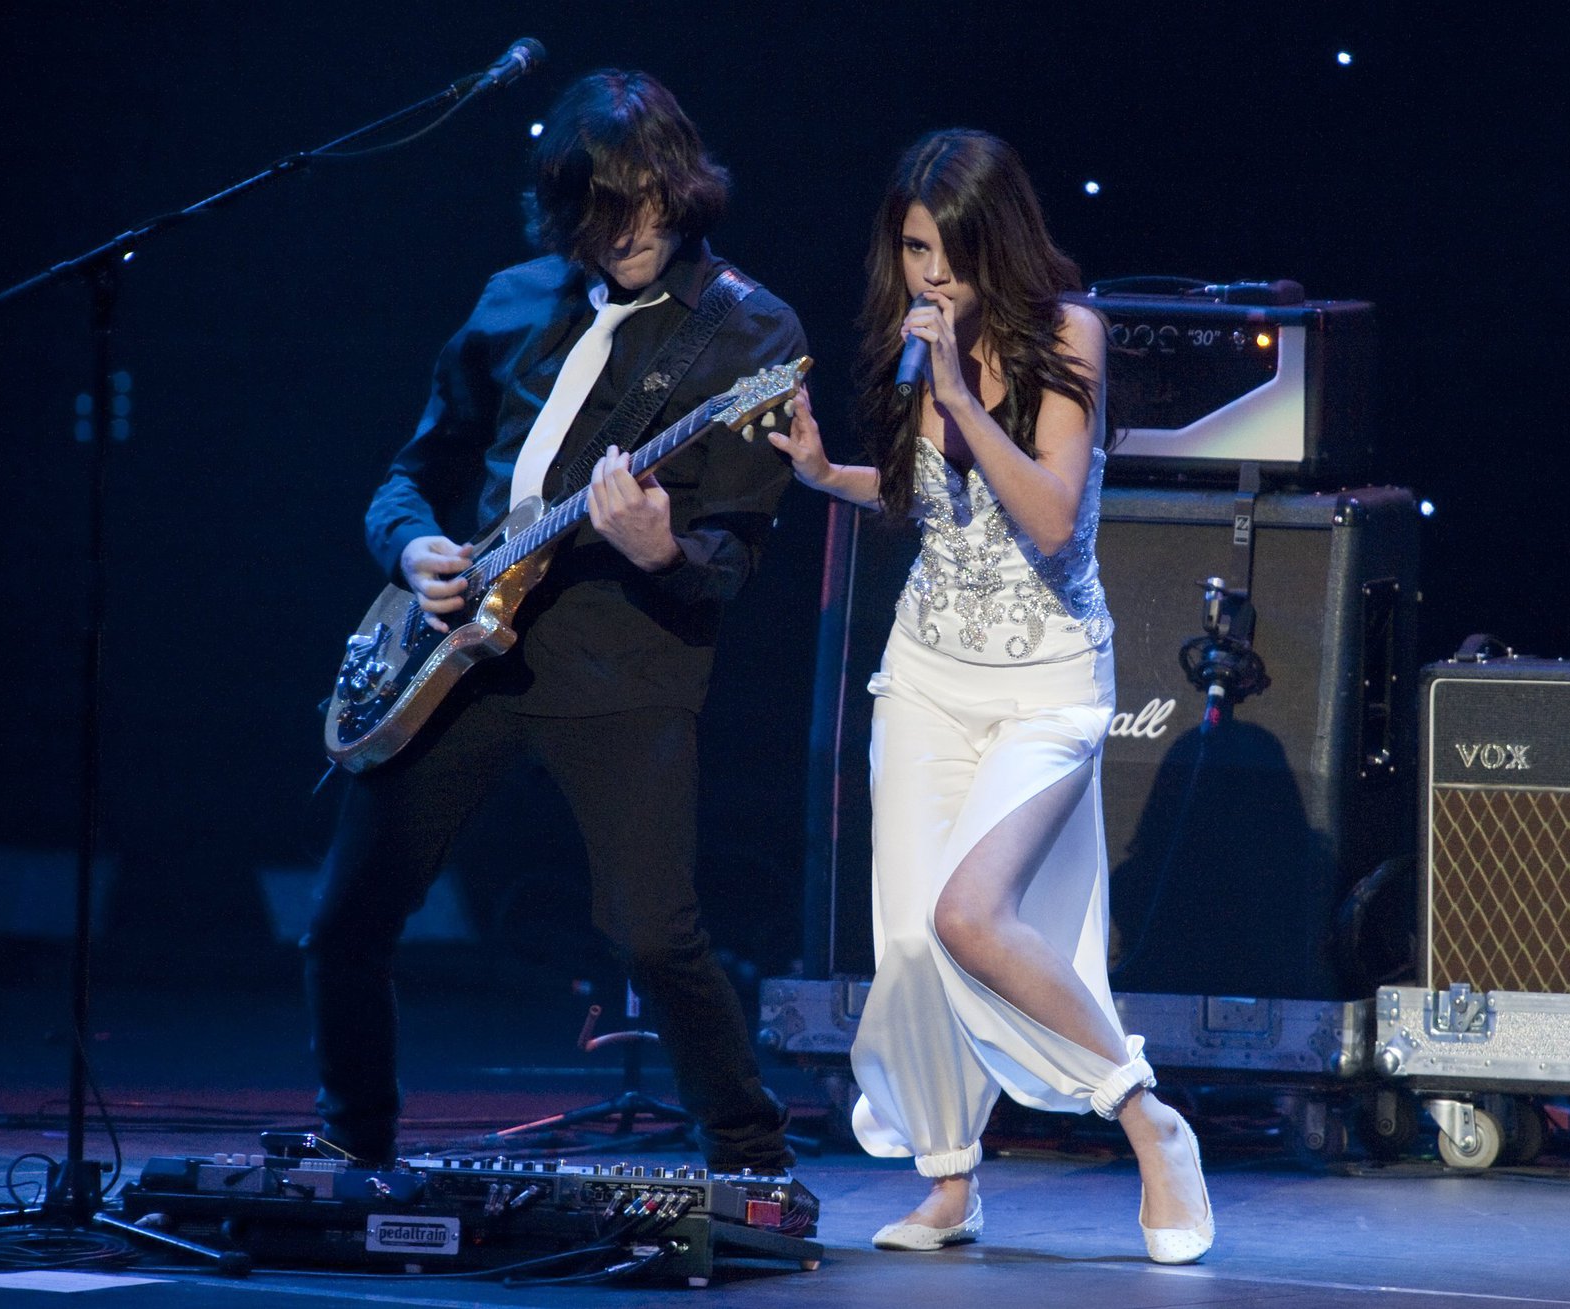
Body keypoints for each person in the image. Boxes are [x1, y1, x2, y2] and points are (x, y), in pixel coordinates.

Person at [301, 69, 801, 1175]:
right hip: (456, 656)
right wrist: (412, 547)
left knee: (654, 936)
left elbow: (733, 557)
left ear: (682, 190)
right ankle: (353, 1144)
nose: (626, 235)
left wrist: (661, 549)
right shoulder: (512, 299)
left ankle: (751, 1159)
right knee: (345, 921)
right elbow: (411, 473)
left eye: (645, 207)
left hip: (625, 664)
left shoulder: (750, 331)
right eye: (599, 214)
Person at [767, 129, 1213, 1262]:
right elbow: (928, 504)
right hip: (927, 673)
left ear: (997, 242)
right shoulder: (912, 341)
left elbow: (1051, 518)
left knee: (971, 917)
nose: (931, 276)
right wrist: (824, 475)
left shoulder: (1068, 334)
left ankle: (1150, 1124)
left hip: (1046, 683)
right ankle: (950, 1178)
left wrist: (959, 396)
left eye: (950, 253)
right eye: (915, 250)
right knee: (912, 939)